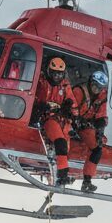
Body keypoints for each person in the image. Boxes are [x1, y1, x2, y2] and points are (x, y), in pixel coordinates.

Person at [33, 57, 77, 185]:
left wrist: (70, 111)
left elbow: (73, 105)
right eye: (54, 73)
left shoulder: (65, 86)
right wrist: (41, 106)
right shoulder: (41, 82)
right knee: (61, 143)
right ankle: (61, 175)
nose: (56, 76)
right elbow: (32, 97)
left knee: (64, 147)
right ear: (48, 71)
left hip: (61, 120)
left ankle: (61, 174)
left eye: (59, 74)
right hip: (46, 118)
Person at [72, 70, 109, 193]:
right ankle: (62, 171)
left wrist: (100, 127)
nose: (96, 89)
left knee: (97, 150)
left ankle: (87, 181)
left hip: (85, 126)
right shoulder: (79, 91)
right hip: (73, 123)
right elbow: (69, 109)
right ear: (90, 82)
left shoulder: (102, 98)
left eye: (99, 87)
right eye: (94, 85)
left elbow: (102, 116)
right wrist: (75, 122)